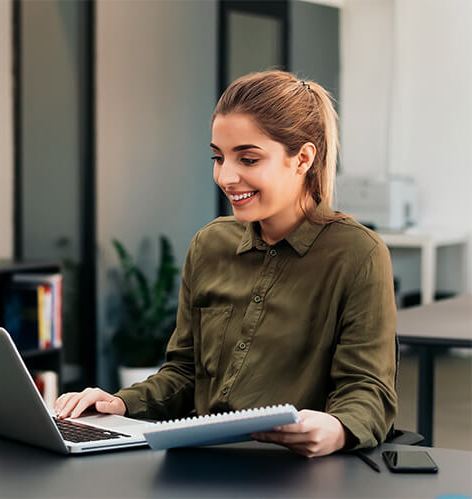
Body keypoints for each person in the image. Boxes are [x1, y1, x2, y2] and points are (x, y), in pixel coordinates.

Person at [55, 70, 397, 458]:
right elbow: (185, 373)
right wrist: (120, 403)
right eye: (218, 157)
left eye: (248, 158)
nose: (226, 176)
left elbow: (368, 391)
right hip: (201, 465)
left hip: (294, 471)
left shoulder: (358, 254)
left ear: (302, 158)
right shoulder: (209, 244)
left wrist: (337, 428)